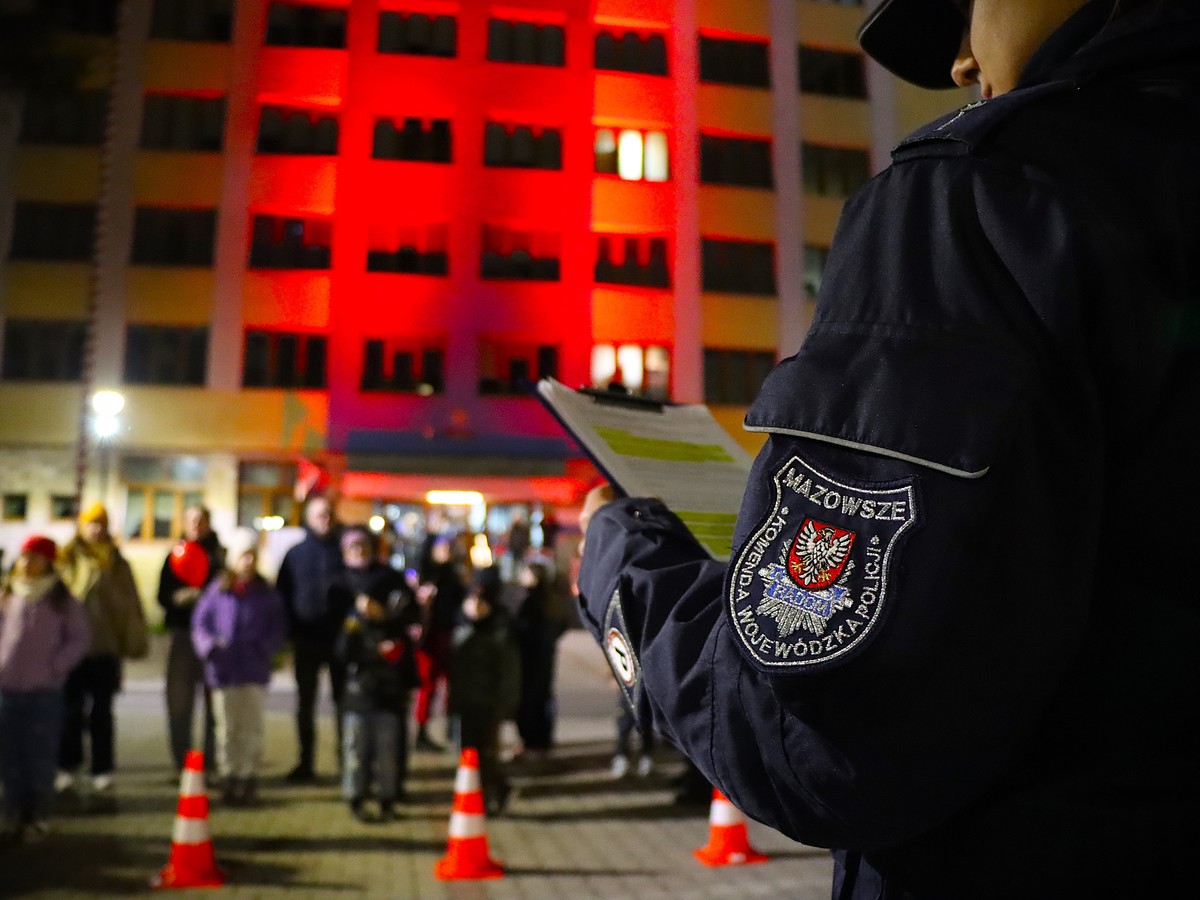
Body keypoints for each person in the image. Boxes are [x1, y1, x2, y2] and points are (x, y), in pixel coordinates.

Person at [574, 1, 1200, 897]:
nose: (961, 63)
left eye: (965, 5)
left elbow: (821, 742)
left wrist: (622, 564)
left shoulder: (985, 202)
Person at [0, 536, 91, 843]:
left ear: (47, 564)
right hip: (7, 689)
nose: (27, 564)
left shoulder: (61, 601)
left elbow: (79, 639)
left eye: (34, 558)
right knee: (10, 757)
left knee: (39, 756)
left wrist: (56, 666)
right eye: (23, 557)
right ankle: (14, 812)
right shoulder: (8, 596)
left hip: (43, 692)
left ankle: (39, 814)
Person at [55, 502, 148, 795]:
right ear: (82, 526)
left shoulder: (117, 563)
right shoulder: (67, 558)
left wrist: (133, 640)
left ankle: (102, 768)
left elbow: (130, 605)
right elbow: (60, 599)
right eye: (91, 524)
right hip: (70, 650)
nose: (96, 530)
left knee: (102, 712)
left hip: (105, 648)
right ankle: (68, 766)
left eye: (101, 524)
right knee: (69, 711)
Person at [191, 527, 286, 805]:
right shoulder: (217, 591)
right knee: (226, 728)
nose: (248, 561)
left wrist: (265, 648)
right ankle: (228, 775)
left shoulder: (266, 594)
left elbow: (277, 627)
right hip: (223, 670)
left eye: (252, 556)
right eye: (243, 556)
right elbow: (201, 624)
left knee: (251, 727)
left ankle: (248, 775)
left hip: (253, 669)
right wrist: (210, 646)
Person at [336, 579, 420, 823]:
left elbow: (408, 667)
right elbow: (342, 654)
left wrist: (405, 691)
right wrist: (352, 628)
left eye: (370, 601)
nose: (364, 606)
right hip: (358, 700)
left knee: (387, 755)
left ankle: (387, 799)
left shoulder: (396, 630)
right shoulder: (354, 627)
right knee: (356, 753)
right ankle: (355, 797)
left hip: (388, 703)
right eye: (361, 600)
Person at [276, 494, 345, 782]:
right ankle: (306, 762)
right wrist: (286, 634)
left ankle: (346, 764)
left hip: (340, 640)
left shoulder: (345, 551)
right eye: (319, 515)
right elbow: (282, 595)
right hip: (306, 639)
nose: (325, 519)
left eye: (328, 514)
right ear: (309, 519)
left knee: (344, 703)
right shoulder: (295, 554)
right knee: (305, 704)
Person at [447, 567, 520, 816]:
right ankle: (478, 795)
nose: (475, 606)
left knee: (487, 755)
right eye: (472, 599)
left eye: (481, 601)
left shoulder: (500, 631)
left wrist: (505, 706)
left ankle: (494, 792)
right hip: (465, 702)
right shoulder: (461, 628)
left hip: (489, 704)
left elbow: (510, 673)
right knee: (468, 754)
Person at [157, 504, 224, 775]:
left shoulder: (219, 556)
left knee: (214, 704)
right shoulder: (174, 555)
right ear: (184, 523)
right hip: (182, 635)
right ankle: (183, 762)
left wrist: (205, 597)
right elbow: (162, 595)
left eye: (201, 519)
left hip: (212, 638)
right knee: (179, 701)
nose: (196, 524)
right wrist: (177, 599)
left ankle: (210, 761)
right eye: (192, 519)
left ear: (209, 522)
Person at [413, 533, 466, 752]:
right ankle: (422, 732)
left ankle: (452, 730)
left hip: (448, 635)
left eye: (449, 548)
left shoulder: (454, 575)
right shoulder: (425, 575)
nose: (447, 552)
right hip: (429, 638)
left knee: (453, 685)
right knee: (427, 685)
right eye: (442, 547)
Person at [511, 559, 566, 763]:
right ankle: (542, 741)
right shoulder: (550, 599)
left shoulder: (531, 599)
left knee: (530, 701)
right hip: (544, 657)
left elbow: (523, 627)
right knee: (542, 698)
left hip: (530, 657)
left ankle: (532, 742)